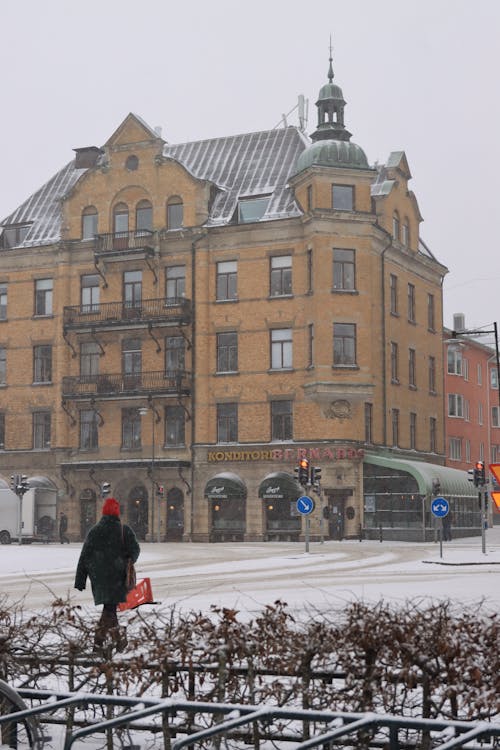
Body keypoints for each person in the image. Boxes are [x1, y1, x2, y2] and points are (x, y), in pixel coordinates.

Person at [74, 497, 140, 652]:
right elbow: (135, 550)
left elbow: (84, 555)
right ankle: (100, 642)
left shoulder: (95, 531)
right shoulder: (124, 530)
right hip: (118, 577)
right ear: (117, 513)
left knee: (109, 608)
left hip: (99, 579)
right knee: (110, 608)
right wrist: (128, 560)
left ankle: (116, 641)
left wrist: (80, 579)